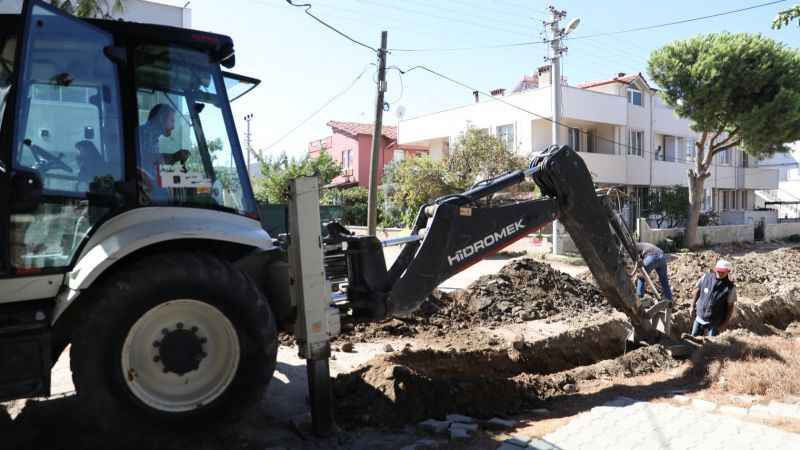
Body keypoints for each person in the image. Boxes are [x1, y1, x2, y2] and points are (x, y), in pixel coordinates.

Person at [137, 103, 190, 178]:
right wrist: (174, 157)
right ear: (161, 118)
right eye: (172, 120)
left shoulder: (153, 138)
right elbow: (149, 160)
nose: (173, 127)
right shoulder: (142, 133)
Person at [691, 259, 737, 337]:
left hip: (714, 321)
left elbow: (730, 307)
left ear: (728, 271)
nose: (720, 273)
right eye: (718, 271)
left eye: (723, 272)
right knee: (693, 338)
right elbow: (697, 291)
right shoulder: (706, 277)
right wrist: (692, 306)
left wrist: (724, 324)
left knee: (712, 344)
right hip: (700, 316)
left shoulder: (730, 287)